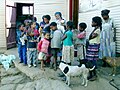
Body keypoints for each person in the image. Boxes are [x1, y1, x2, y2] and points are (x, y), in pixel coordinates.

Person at [86, 16, 102, 81]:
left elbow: (91, 37)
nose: (91, 23)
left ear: (96, 23)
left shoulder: (97, 30)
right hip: (93, 46)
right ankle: (92, 74)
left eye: (92, 22)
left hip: (93, 46)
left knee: (91, 61)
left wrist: (89, 39)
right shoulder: (96, 29)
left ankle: (94, 75)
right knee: (92, 60)